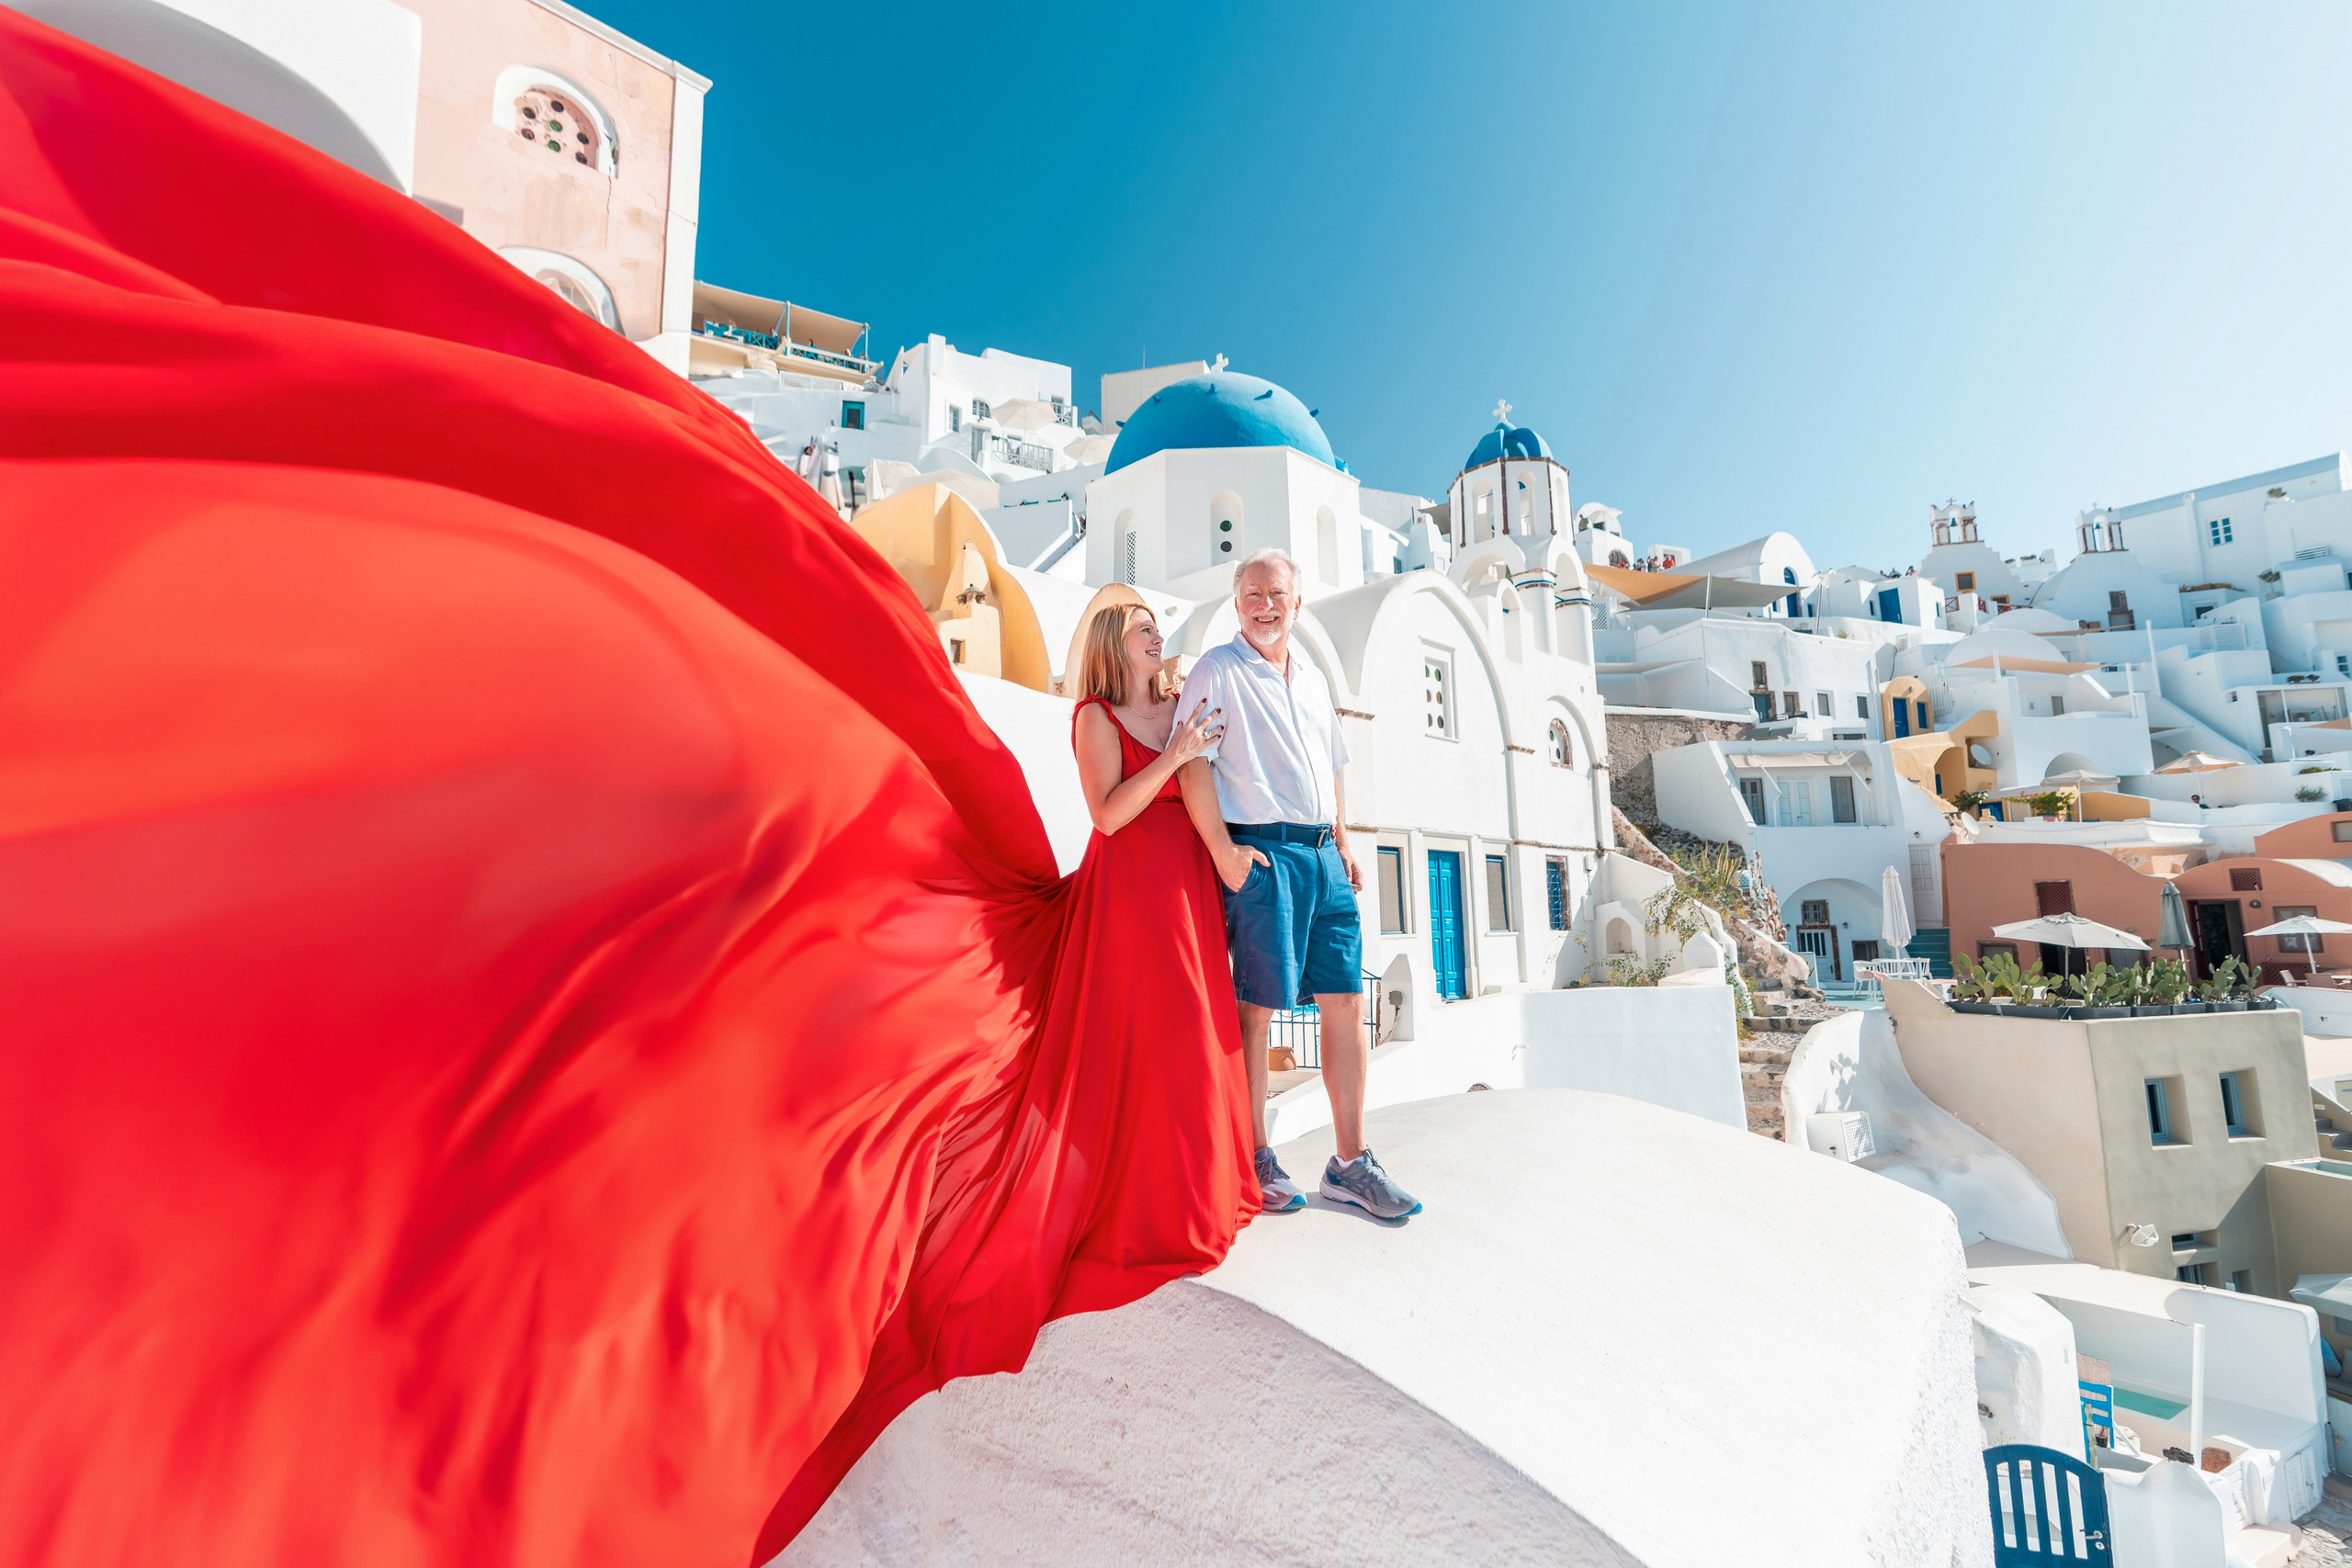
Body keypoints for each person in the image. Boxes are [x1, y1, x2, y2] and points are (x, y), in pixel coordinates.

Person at [1176, 549, 1421, 1221]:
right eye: (1251, 593)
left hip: (1322, 855)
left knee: (1344, 999)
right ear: (1236, 603)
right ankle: (1255, 1155)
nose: (1264, 604)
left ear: (1296, 601)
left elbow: (1331, 765)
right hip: (1265, 857)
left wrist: (1342, 839)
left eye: (1275, 592)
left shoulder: (1311, 676)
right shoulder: (1216, 670)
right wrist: (1224, 852)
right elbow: (1190, 763)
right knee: (1256, 1010)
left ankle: (1350, 1164)